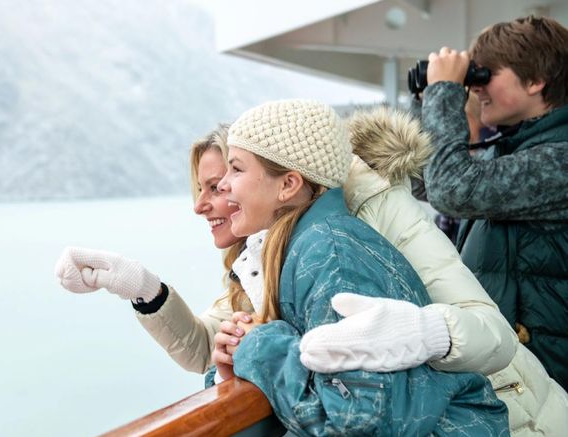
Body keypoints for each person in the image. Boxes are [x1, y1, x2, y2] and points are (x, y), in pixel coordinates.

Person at [212, 99, 508, 435]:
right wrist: (234, 362)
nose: (223, 185)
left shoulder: (330, 253)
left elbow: (356, 420)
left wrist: (258, 346)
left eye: (236, 168)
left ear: (288, 185)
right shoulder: (306, 246)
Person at [292, 107, 568, 435]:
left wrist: (442, 94)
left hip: (517, 402)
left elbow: (450, 186)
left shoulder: (377, 204)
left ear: (289, 181)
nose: (219, 191)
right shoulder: (265, 250)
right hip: (493, 386)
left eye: (234, 172)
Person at [420, 15, 568, 390]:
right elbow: (422, 179)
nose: (475, 89)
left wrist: (445, 94)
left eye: (483, 75)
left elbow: (451, 189)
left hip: (549, 377)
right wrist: (429, 98)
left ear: (536, 81)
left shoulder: (560, 160)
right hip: (516, 370)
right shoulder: (510, 150)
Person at [54, 125, 250, 374]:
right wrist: (146, 290)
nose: (198, 206)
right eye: (200, 189)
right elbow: (205, 348)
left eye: (215, 188)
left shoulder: (284, 265)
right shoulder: (249, 266)